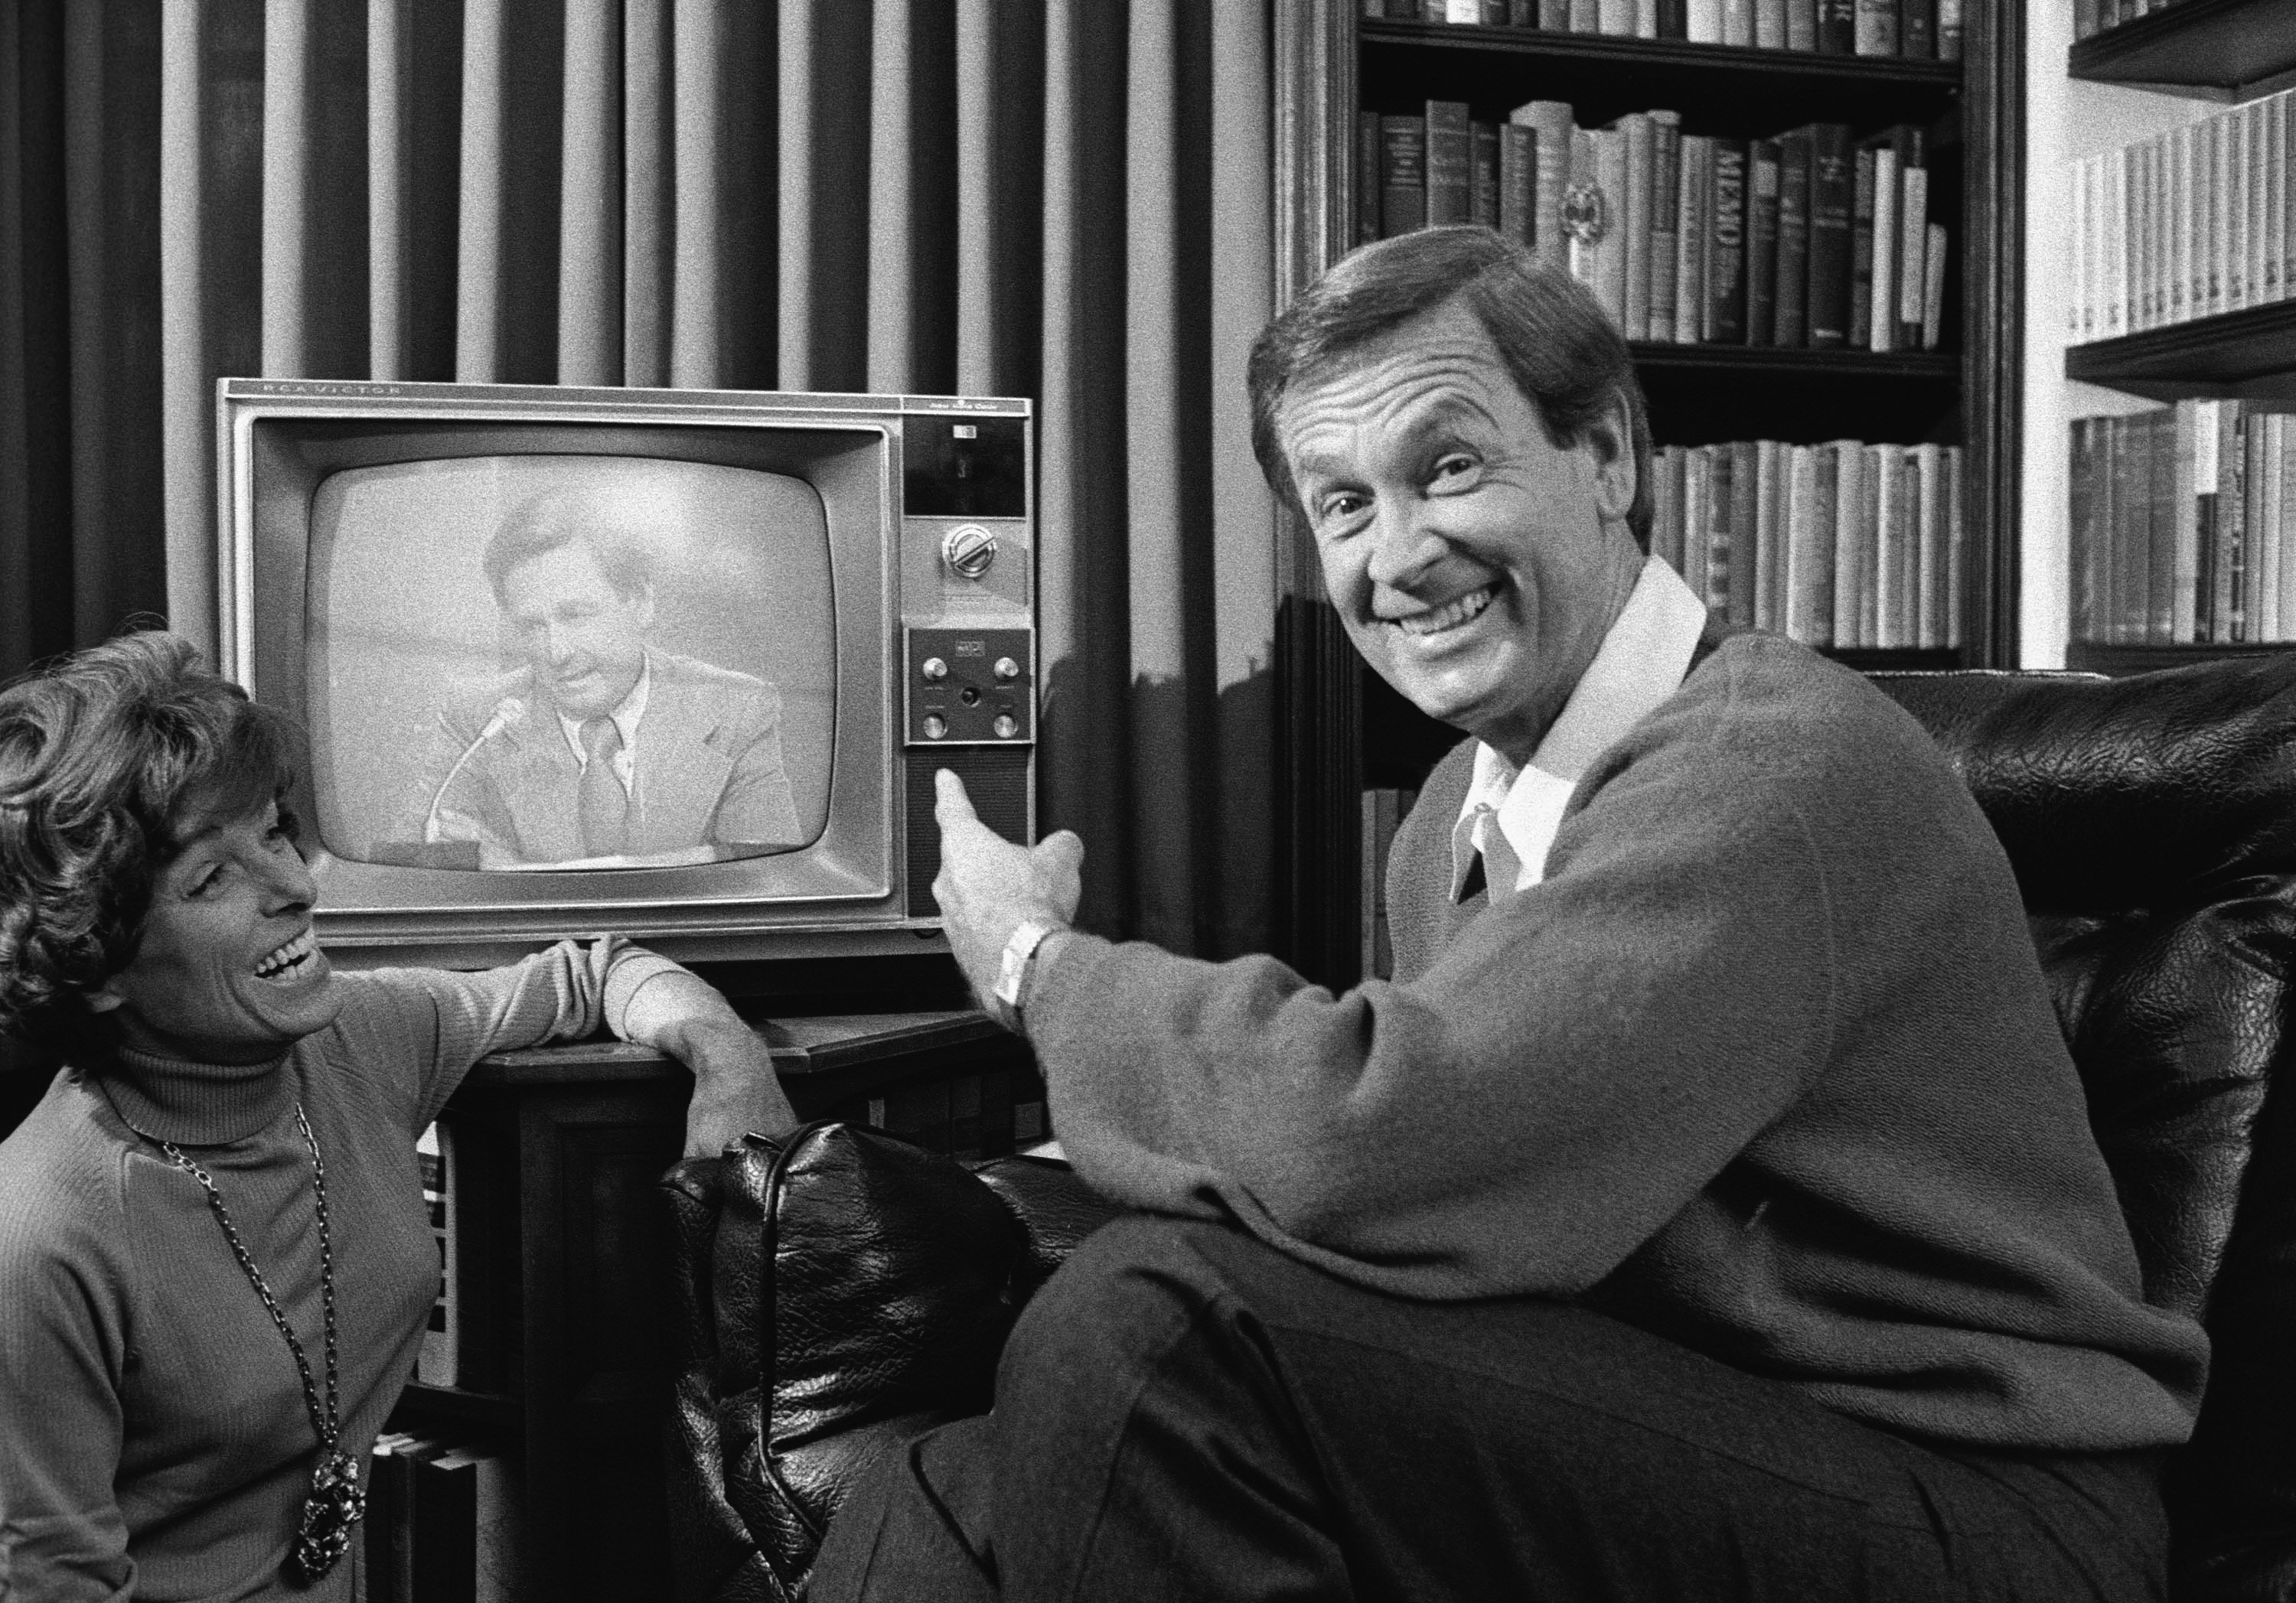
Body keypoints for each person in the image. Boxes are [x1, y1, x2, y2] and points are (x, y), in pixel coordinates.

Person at [810, 227, 2211, 1600]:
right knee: (948, 1476)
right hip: (1718, 1416)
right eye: (1344, 504)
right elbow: (1428, 1227)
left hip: (1980, 1504)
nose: (1401, 555)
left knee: (1158, 1332)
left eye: (1450, 466)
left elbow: (1385, 1140)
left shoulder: (1769, 766)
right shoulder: (1449, 820)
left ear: (1607, 456)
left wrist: (1033, 962)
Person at [0, 630, 797, 1600]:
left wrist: (730, 1060)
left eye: (274, 831)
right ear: (95, 962)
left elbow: (591, 972)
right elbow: (55, 1584)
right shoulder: (39, 1233)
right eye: (213, 877)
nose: (296, 887)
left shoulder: (358, 1038)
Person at [393, 492, 804, 868]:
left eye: (576, 615)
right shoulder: (475, 713)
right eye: (532, 625)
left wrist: (515, 870)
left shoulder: (736, 706)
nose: (556, 652)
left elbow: (769, 862)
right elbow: (406, 861)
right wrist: (704, 856)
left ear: (640, 603)